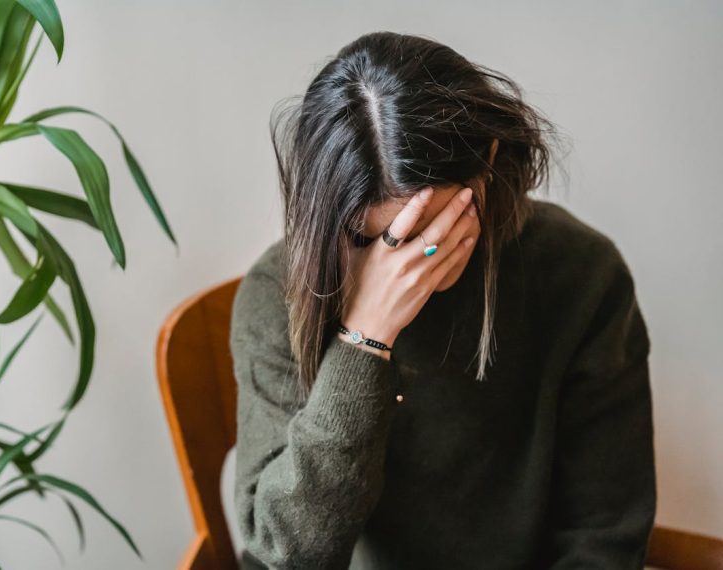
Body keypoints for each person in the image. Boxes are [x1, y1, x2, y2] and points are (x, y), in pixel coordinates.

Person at [230, 31, 655, 569]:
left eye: (434, 229)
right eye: (371, 238)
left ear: (490, 161)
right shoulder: (277, 296)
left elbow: (604, 535)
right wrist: (364, 341)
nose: (409, 264)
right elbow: (281, 559)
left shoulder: (582, 275)